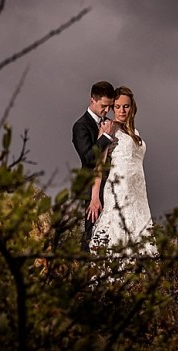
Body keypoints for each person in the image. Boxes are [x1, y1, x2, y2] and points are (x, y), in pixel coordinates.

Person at [87, 85, 157, 257]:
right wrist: (95, 197)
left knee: (139, 231)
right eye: (117, 107)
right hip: (119, 187)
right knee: (119, 232)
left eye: (125, 106)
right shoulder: (109, 127)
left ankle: (138, 279)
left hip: (138, 190)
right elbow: (99, 165)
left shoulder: (135, 132)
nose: (121, 110)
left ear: (132, 107)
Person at [72, 81, 118, 251]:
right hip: (92, 188)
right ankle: (85, 273)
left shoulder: (109, 124)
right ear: (93, 100)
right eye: (104, 106)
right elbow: (89, 158)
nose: (107, 110)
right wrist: (105, 137)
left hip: (113, 187)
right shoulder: (80, 126)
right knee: (91, 233)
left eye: (110, 107)